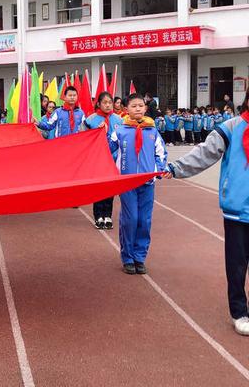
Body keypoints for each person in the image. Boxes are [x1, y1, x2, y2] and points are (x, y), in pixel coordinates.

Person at [165, 88, 249, 336]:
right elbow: (205, 152)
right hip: (237, 209)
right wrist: (176, 167)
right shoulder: (232, 127)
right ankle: (239, 311)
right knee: (236, 266)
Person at [109, 93, 167, 275]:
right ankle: (127, 257)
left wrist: (158, 170)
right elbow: (106, 151)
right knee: (130, 219)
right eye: (133, 106)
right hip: (127, 184)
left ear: (145, 108)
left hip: (147, 183)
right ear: (126, 110)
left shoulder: (152, 131)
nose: (138, 109)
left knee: (144, 220)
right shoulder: (119, 130)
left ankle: (139, 257)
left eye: (140, 106)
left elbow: (161, 153)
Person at [84, 92, 122, 229]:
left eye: (110, 102)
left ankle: (108, 215)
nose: (107, 105)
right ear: (98, 104)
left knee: (110, 188)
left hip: (112, 159)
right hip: (97, 159)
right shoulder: (90, 120)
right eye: (104, 102)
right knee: (99, 187)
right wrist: (97, 132)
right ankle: (98, 215)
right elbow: (83, 138)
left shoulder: (119, 120)